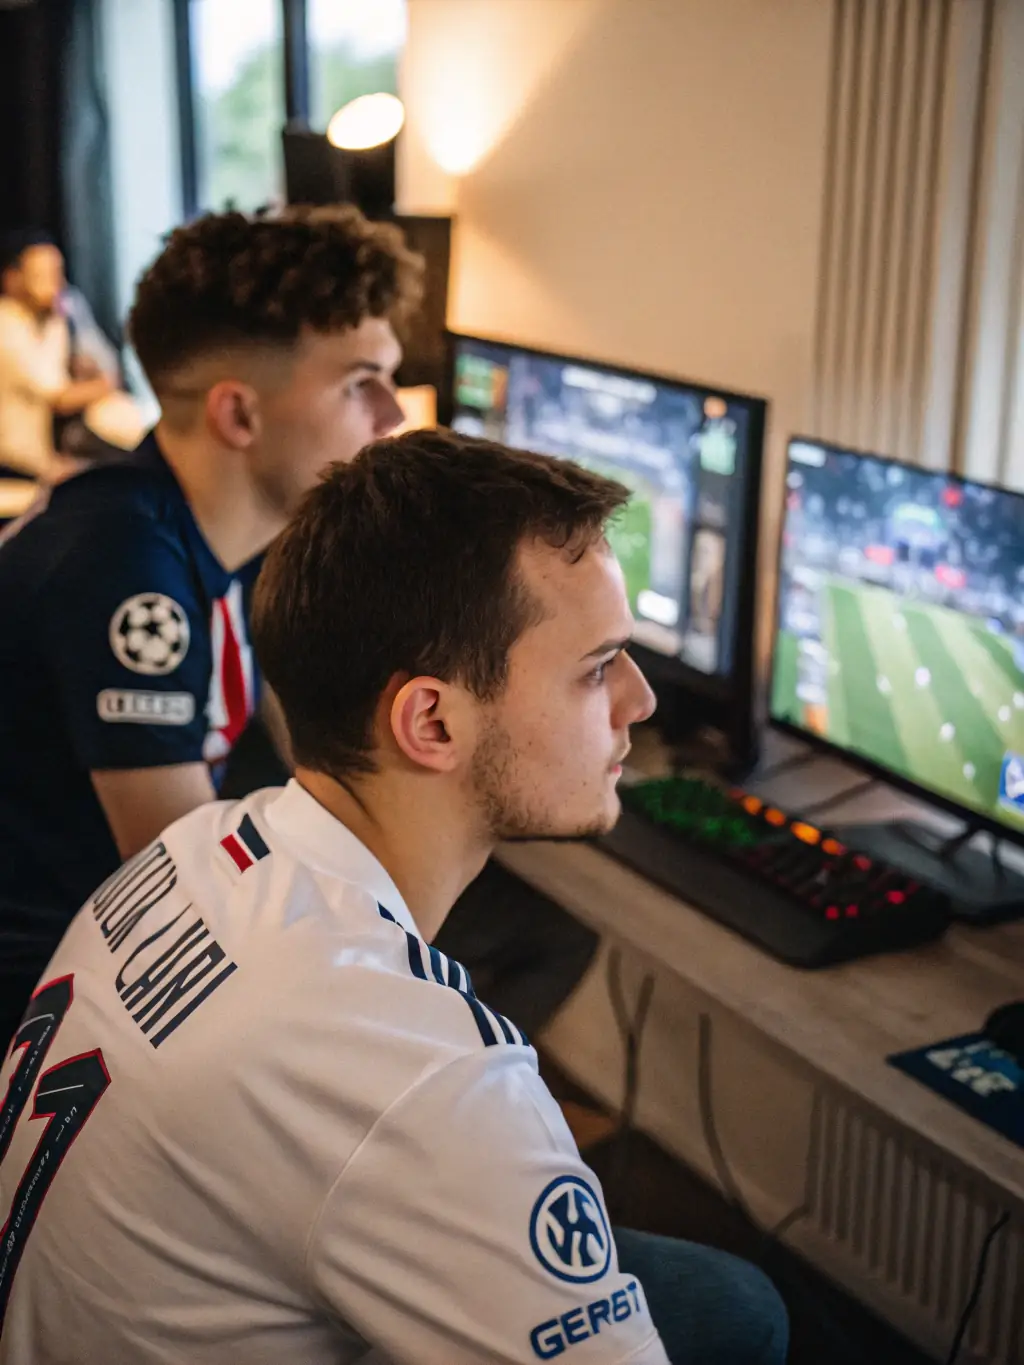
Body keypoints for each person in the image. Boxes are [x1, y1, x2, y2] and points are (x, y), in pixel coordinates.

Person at [0, 428, 788, 1364]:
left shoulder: (201, 843)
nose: (640, 700)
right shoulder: (433, 1082)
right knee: (743, 1313)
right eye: (595, 667)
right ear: (431, 719)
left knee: (728, 1302)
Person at [0, 205, 420, 1050]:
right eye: (357, 383)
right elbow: (191, 889)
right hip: (48, 995)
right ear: (239, 416)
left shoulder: (236, 535)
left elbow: (308, 735)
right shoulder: (121, 570)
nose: (393, 416)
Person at [0, 229, 116, 480]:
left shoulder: (60, 314)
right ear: (13, 279)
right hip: (17, 469)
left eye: (58, 273)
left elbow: (105, 362)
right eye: (41, 275)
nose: (56, 285)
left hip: (56, 459)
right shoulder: (6, 325)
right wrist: (104, 384)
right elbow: (60, 398)